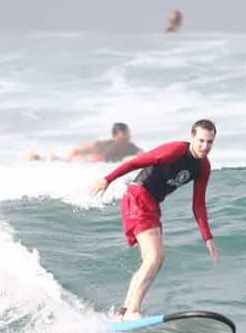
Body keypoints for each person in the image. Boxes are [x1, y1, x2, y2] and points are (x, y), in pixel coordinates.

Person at [90, 119, 220, 321]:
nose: (205, 146)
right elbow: (136, 162)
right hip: (138, 197)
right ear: (192, 137)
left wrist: (208, 238)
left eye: (210, 142)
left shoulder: (203, 167)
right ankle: (133, 311)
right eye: (201, 140)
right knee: (155, 258)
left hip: (151, 204)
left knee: (151, 262)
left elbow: (198, 205)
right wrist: (108, 178)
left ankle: (124, 313)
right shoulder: (175, 150)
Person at [22, 123, 142, 163]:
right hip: (96, 162)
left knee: (63, 162)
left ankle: (36, 157)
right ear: (121, 133)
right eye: (128, 132)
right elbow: (145, 155)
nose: (130, 135)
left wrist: (69, 160)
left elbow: (75, 150)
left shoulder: (100, 144)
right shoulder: (128, 146)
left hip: (87, 160)